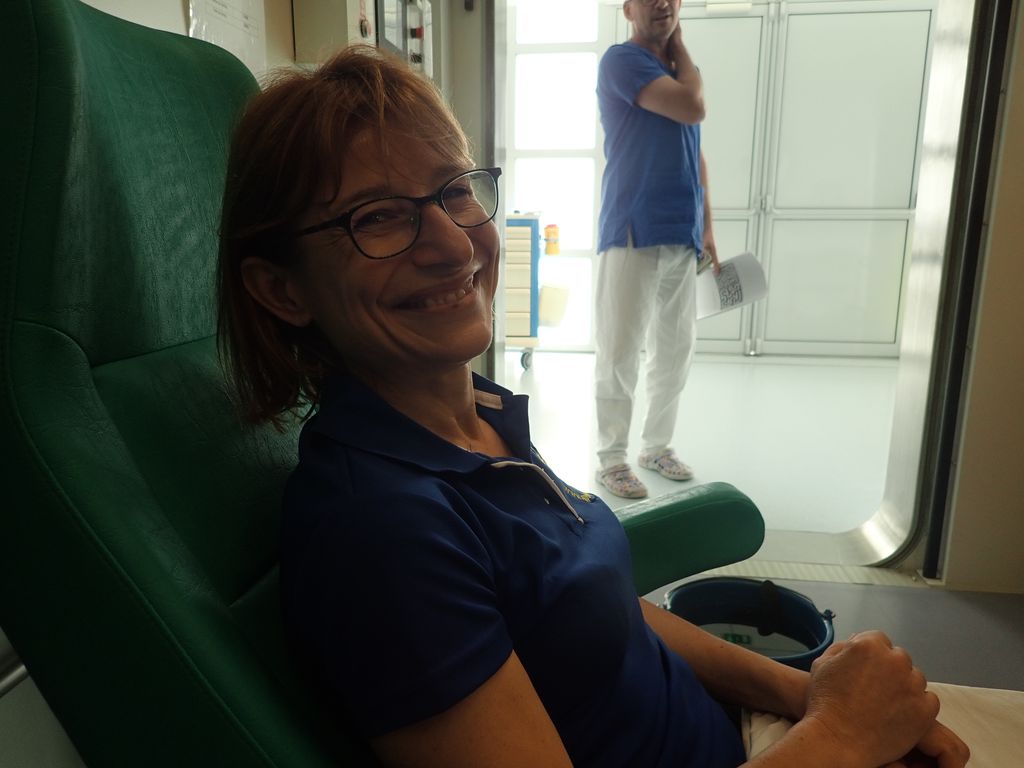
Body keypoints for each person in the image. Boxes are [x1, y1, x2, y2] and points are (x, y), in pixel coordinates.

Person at [217, 45, 968, 768]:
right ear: (282, 289)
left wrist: (807, 696)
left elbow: (600, 608)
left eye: (454, 191)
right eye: (377, 216)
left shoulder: (481, 420)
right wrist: (842, 733)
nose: (454, 244)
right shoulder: (380, 529)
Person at [593, 0, 716, 499]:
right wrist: (681, 44)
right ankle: (612, 459)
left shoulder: (678, 74)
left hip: (680, 230)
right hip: (632, 228)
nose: (662, 3)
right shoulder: (622, 61)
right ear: (628, 9)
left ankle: (656, 447)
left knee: (675, 350)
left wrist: (707, 227)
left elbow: (695, 150)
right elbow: (693, 108)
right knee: (620, 350)